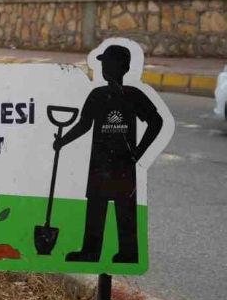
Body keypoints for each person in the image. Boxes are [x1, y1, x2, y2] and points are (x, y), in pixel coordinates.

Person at [53, 44, 164, 263]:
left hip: (123, 163)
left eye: (108, 62)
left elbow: (156, 121)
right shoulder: (98, 95)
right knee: (96, 207)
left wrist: (138, 152)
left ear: (122, 66)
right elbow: (84, 125)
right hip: (100, 162)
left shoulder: (133, 95)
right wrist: (62, 141)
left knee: (125, 210)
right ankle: (90, 251)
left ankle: (128, 252)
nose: (104, 66)